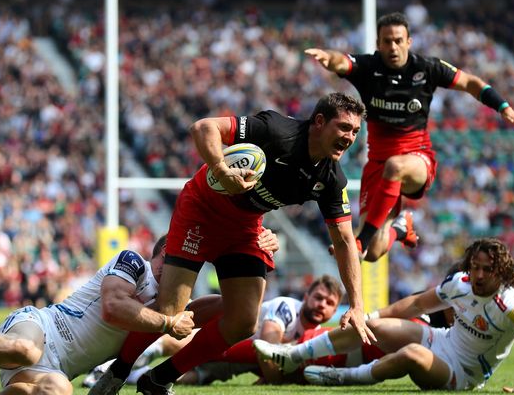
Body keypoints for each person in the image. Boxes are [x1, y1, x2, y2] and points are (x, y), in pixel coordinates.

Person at [92, 92, 373, 395]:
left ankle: (158, 378)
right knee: (170, 311)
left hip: (244, 228)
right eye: (344, 127)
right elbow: (203, 127)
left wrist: (357, 305)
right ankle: (118, 370)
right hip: (200, 211)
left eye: (355, 131)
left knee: (243, 321)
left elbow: (345, 241)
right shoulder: (277, 130)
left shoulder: (331, 178)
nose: (350, 137)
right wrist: (221, 169)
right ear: (319, 121)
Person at [0, 230, 276, 395]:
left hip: (60, 367)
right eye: (185, 259)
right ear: (164, 253)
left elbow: (236, 309)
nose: (189, 266)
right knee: (23, 352)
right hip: (43, 326)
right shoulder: (132, 262)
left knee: (52, 391)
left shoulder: (175, 303)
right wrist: (170, 322)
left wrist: (254, 257)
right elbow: (115, 309)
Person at [305, 12, 514, 262]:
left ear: (409, 42)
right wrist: (329, 58)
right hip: (377, 165)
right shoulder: (368, 68)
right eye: (387, 41)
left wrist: (503, 107)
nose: (393, 46)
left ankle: (360, 241)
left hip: (417, 159)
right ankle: (400, 228)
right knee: (373, 253)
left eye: (398, 40)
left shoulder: (426, 68)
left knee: (395, 169)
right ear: (378, 44)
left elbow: (470, 82)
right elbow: (342, 62)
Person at [255, 238, 514, 393]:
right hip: (441, 341)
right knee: (372, 326)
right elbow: (414, 306)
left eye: (486, 269)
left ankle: (341, 379)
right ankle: (292, 355)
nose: (478, 274)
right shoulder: (460, 283)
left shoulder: (513, 306)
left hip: (463, 374)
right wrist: (367, 315)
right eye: (475, 266)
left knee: (412, 353)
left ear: (501, 271)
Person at [179, 275, 343, 386]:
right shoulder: (287, 308)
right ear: (306, 297)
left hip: (243, 357)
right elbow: (266, 349)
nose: (322, 304)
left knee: (199, 376)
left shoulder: (317, 333)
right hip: (229, 347)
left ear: (335, 311)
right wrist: (276, 381)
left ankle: (156, 374)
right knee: (185, 356)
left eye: (329, 303)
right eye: (318, 297)